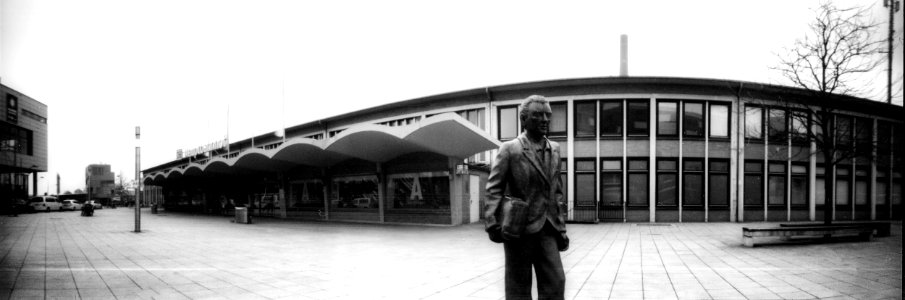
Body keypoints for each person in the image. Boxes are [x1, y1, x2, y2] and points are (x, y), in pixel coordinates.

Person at [484, 95, 569, 300]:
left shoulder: (555, 149)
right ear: (523, 119)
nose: (545, 119)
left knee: (556, 282)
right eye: (538, 115)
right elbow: (494, 188)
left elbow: (557, 191)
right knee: (518, 287)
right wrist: (492, 223)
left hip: (548, 228)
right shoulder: (510, 149)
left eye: (547, 115)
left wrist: (561, 227)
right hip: (518, 229)